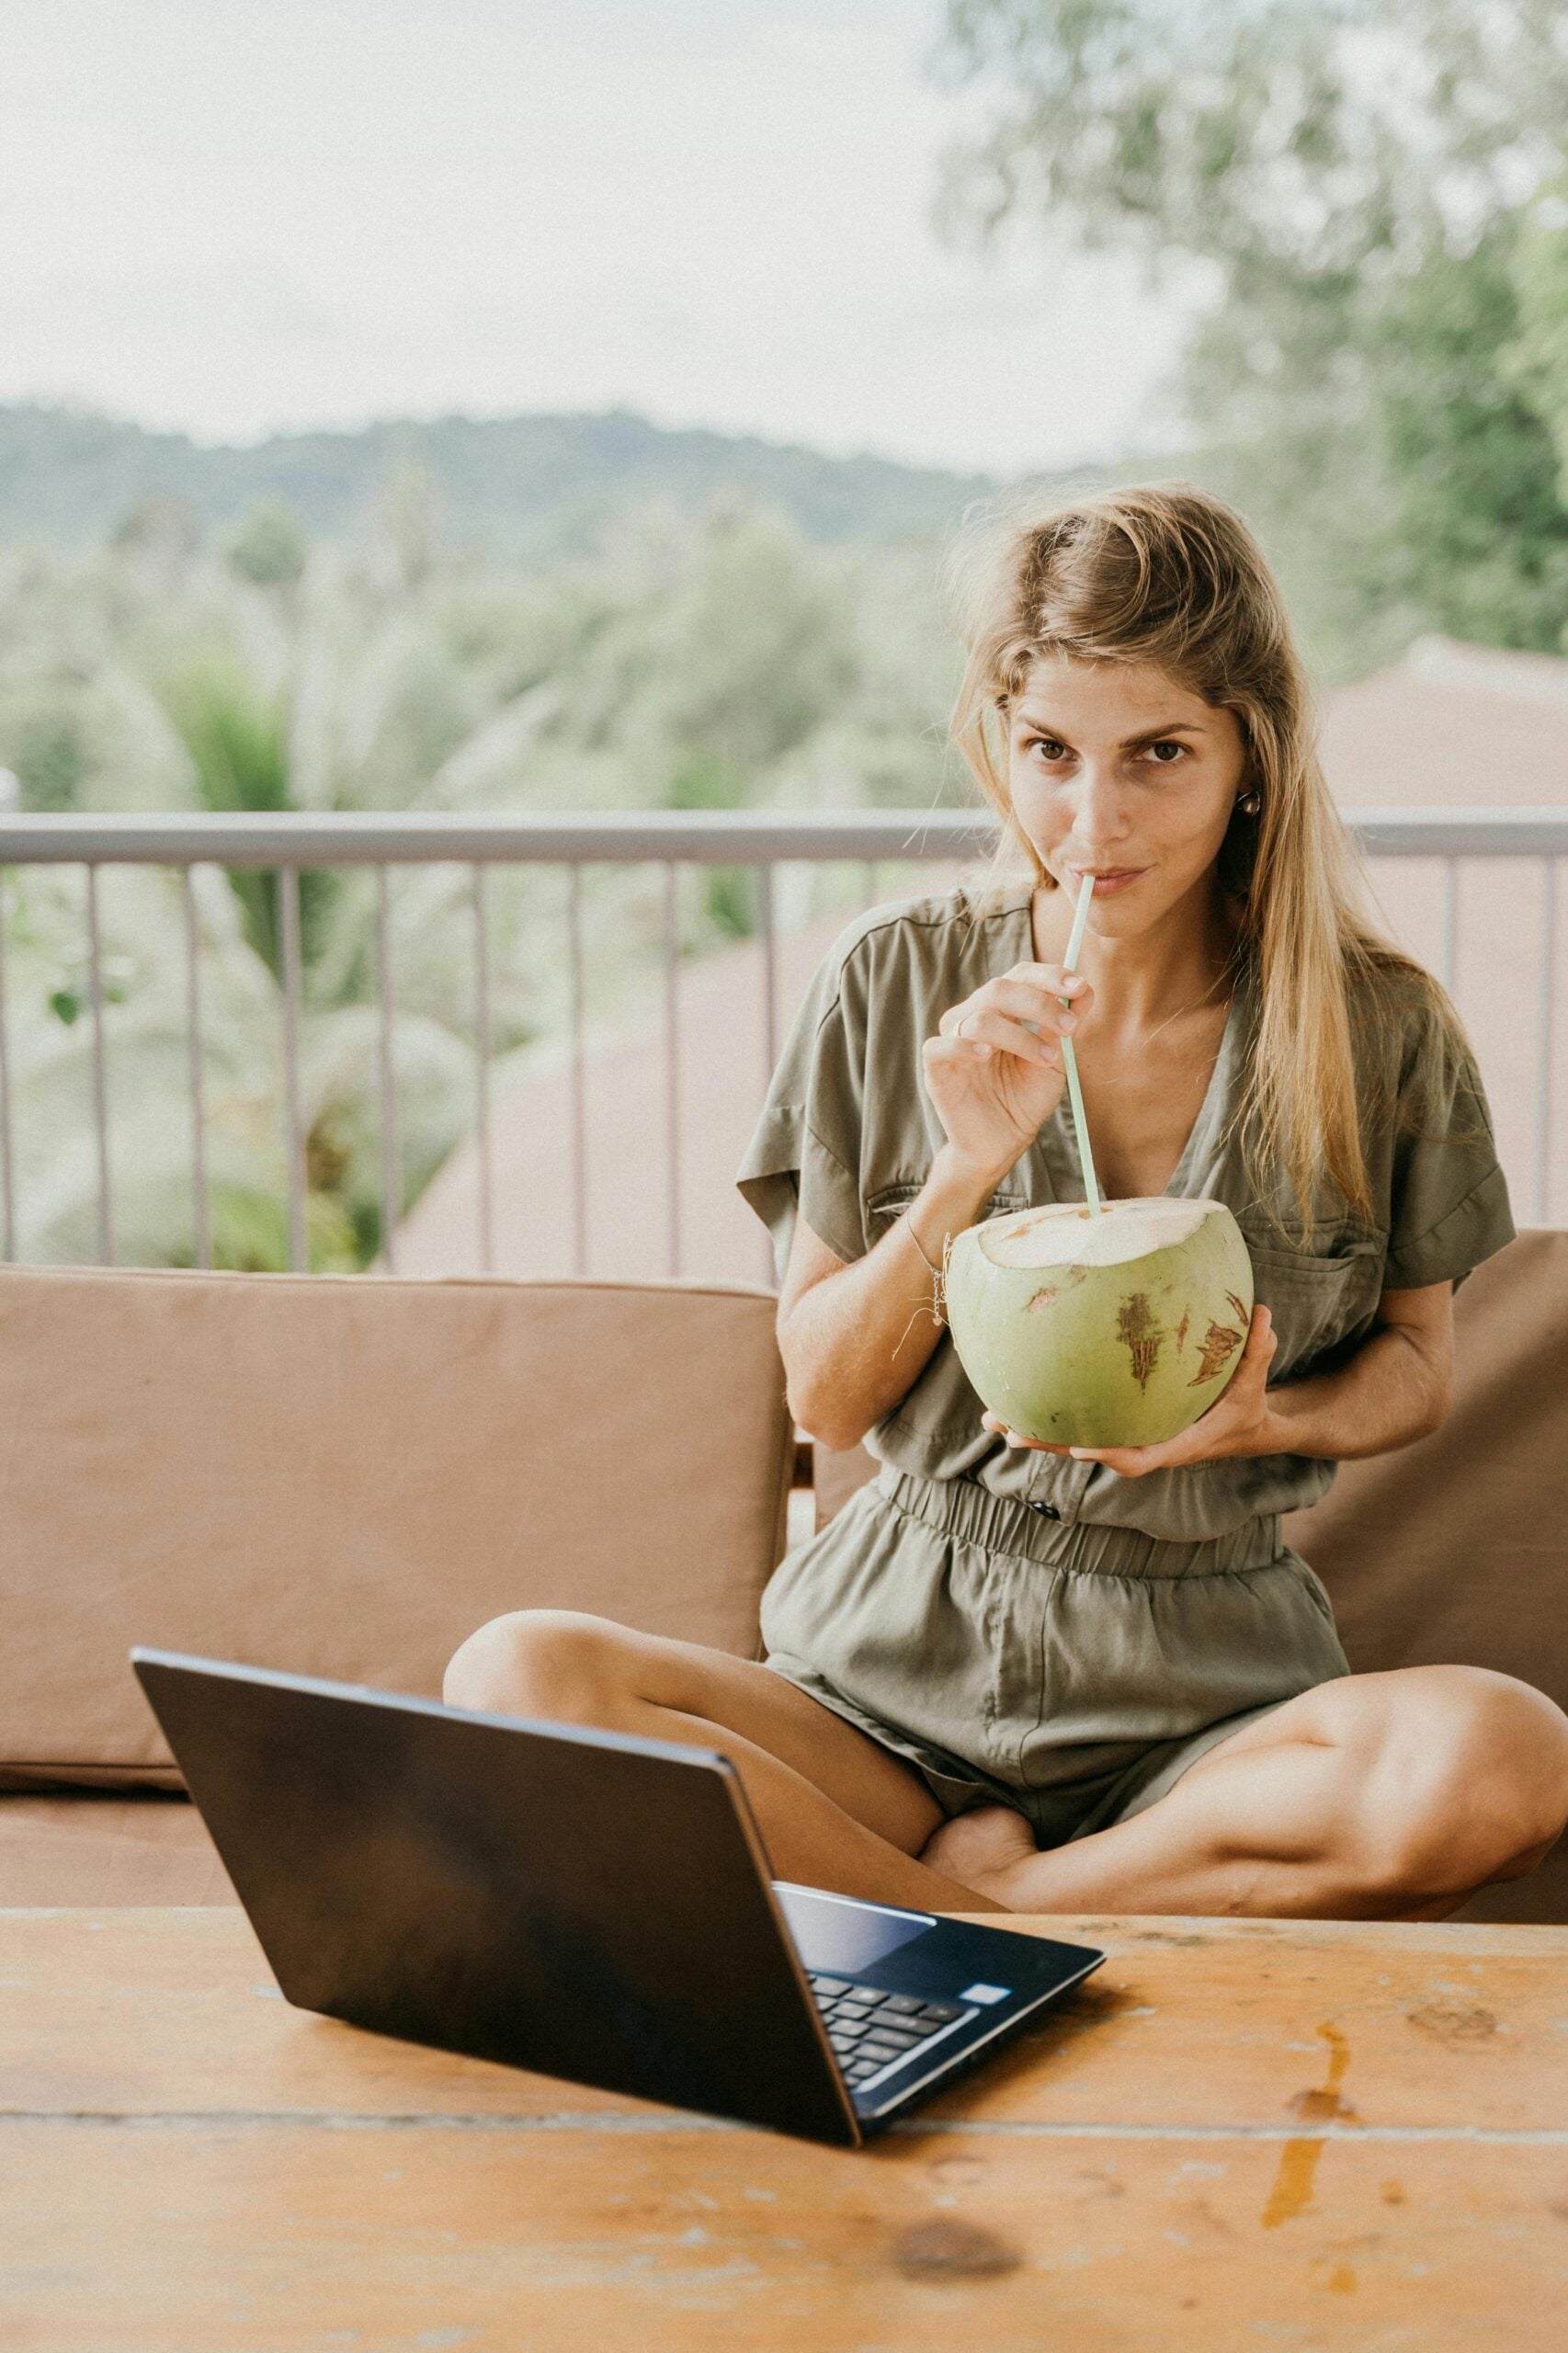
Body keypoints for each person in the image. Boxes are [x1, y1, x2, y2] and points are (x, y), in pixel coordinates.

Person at [444, 485, 1568, 1919]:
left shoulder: (1383, 1031)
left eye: (1156, 755)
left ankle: (1001, 1915)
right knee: (516, 1675)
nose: (1089, 821)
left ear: (1250, 761)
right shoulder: (894, 981)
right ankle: (1036, 1910)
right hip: (883, 1697)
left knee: (1500, 1760)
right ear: (998, 745)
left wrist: (1266, 1418)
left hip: (1205, 1714)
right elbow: (828, 1403)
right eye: (1049, 753)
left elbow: (1412, 1368)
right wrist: (965, 1167)